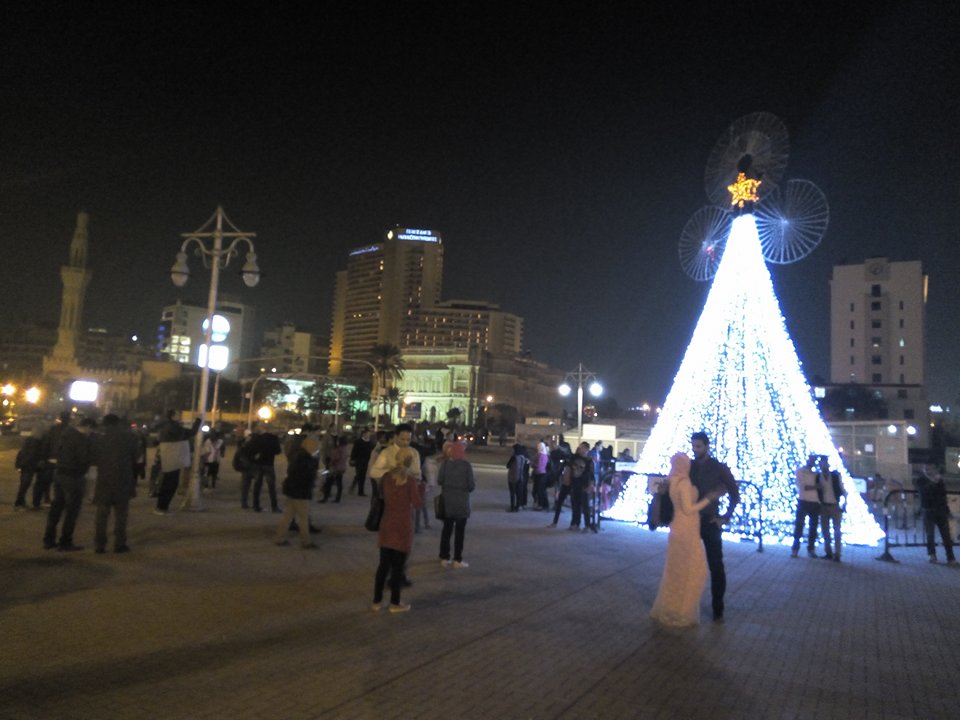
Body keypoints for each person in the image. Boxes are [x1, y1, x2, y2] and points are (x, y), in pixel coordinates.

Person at [650, 452, 724, 627]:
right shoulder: (683, 483)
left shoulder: (672, 481)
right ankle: (682, 610)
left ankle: (674, 608)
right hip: (686, 529)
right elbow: (689, 509)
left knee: (677, 571)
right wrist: (709, 499)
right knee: (695, 570)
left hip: (678, 528)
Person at [689, 431, 739, 623]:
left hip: (710, 520)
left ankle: (718, 607)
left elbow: (735, 494)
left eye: (699, 446)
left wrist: (725, 517)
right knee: (689, 563)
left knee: (716, 564)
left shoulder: (719, 468)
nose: (695, 450)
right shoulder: (690, 467)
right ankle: (688, 603)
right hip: (691, 520)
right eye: (693, 446)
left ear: (707, 446)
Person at [371, 447, 422, 613]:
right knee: (398, 567)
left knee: (383, 565)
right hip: (403, 525)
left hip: (387, 523)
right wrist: (422, 489)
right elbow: (417, 503)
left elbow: (382, 496)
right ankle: (395, 602)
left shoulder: (386, 477)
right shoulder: (410, 480)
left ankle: (377, 600)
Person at [43, 416, 95, 551]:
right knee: (72, 511)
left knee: (56, 508)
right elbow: (84, 458)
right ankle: (65, 541)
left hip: (59, 473)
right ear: (88, 426)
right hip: (74, 476)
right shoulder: (81, 439)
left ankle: (48, 540)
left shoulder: (65, 435)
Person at [90, 414, 139, 554]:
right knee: (121, 515)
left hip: (104, 480)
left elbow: (93, 458)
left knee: (101, 515)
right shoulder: (129, 437)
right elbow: (135, 457)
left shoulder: (99, 438)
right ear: (118, 423)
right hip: (123, 480)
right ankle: (119, 543)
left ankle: (100, 545)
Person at [275, 435, 320, 549]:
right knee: (303, 518)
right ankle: (305, 541)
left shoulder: (297, 456)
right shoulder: (307, 460)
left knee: (288, 516)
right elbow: (308, 477)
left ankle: (280, 538)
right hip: (300, 492)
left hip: (291, 490)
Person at [438, 440, 476, 568]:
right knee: (460, 533)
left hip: (447, 503)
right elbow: (471, 486)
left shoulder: (445, 464)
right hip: (461, 504)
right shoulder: (466, 466)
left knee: (446, 531)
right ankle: (457, 560)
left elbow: (439, 480)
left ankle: (444, 557)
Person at [155, 412, 199, 514]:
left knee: (168, 483)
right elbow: (191, 433)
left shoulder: (166, 426)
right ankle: (162, 507)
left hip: (169, 458)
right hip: (173, 458)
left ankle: (161, 506)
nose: (179, 416)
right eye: (177, 414)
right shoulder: (173, 427)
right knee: (170, 484)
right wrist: (198, 421)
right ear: (173, 416)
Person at [915, 465, 958, 565]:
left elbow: (943, 496)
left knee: (946, 535)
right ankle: (932, 555)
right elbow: (924, 493)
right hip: (928, 510)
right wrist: (934, 482)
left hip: (941, 510)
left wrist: (947, 511)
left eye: (930, 468)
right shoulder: (921, 480)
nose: (928, 471)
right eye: (926, 468)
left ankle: (950, 558)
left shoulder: (940, 481)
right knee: (930, 535)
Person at [246, 426, 283, 512]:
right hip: (269, 463)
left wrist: (254, 457)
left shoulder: (257, 438)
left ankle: (256, 505)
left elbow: (249, 449)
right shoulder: (273, 438)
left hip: (258, 464)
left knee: (257, 485)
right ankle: (274, 506)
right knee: (271, 486)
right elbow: (278, 451)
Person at [816, 456, 846, 562]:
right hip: (824, 506)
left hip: (834, 505)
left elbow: (842, 489)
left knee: (837, 530)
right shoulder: (818, 476)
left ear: (828, 465)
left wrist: (844, 503)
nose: (823, 466)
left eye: (825, 464)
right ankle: (828, 552)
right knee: (825, 530)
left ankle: (837, 553)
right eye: (821, 464)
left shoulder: (835, 476)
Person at [791, 454, 821, 558]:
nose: (812, 462)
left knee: (813, 527)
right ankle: (795, 549)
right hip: (803, 500)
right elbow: (802, 486)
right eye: (811, 460)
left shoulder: (816, 473)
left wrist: (813, 487)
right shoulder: (800, 471)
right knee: (799, 526)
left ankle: (811, 549)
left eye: (814, 460)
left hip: (815, 502)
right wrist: (816, 487)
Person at [14, 432, 42, 510]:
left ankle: (20, 502)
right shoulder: (34, 445)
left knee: (24, 485)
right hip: (28, 466)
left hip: (25, 466)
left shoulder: (27, 444)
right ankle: (19, 502)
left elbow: (21, 454)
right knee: (25, 484)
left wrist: (19, 465)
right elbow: (31, 456)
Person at [320, 436, 349, 503]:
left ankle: (325, 497)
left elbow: (335, 459)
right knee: (339, 483)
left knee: (329, 483)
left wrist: (330, 464)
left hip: (335, 468)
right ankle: (338, 498)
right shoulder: (345, 449)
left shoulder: (338, 449)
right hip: (342, 467)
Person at [349, 428, 374, 496]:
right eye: (367, 433)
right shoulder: (358, 442)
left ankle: (359, 489)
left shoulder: (370, 442)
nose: (368, 435)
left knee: (362, 476)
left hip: (366, 461)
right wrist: (352, 459)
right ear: (364, 434)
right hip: (359, 461)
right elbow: (354, 451)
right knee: (360, 475)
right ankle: (360, 490)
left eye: (369, 433)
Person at [506, 443, 529, 512]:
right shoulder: (523, 458)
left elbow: (508, 465)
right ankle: (518, 506)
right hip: (521, 477)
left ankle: (512, 507)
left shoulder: (514, 457)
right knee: (518, 493)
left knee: (512, 493)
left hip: (513, 477)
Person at [531, 438, 549, 510]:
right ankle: (542, 504)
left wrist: (531, 463)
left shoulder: (540, 455)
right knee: (540, 490)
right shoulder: (545, 455)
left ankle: (540, 505)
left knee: (538, 490)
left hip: (539, 474)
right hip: (542, 474)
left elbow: (538, 465)